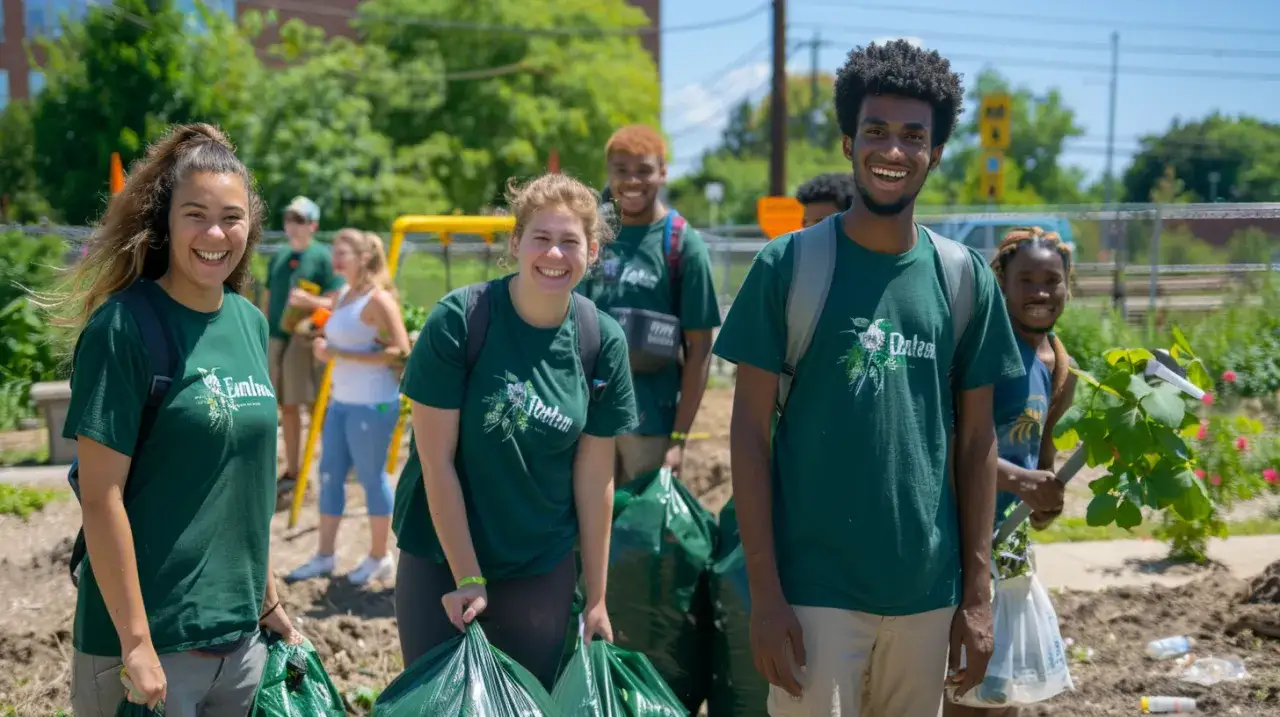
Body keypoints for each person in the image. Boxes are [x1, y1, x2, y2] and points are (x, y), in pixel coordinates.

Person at [711, 40, 1025, 717]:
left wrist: (976, 593)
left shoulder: (964, 279)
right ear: (850, 139)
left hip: (926, 595)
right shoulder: (787, 268)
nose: (893, 150)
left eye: (914, 136)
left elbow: (977, 446)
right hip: (811, 594)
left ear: (937, 152)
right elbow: (748, 436)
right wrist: (765, 596)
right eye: (876, 131)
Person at [57, 123, 301, 715]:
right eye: (196, 214)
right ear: (166, 221)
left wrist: (266, 600)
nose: (215, 233)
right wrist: (136, 645)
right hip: (146, 654)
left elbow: (238, 480)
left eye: (232, 217)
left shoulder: (248, 321)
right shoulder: (125, 328)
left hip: (239, 644)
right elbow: (100, 496)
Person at [389, 173, 638, 690]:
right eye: (541, 238)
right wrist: (468, 576)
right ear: (515, 244)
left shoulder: (599, 341)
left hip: (537, 564)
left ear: (592, 252)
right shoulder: (461, 321)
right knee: (438, 703)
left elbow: (595, 480)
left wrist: (596, 599)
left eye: (570, 241)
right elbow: (436, 462)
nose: (555, 253)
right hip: (441, 558)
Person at [944, 227, 1078, 717]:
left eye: (1052, 280)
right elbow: (951, 443)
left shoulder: (1059, 365)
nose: (1040, 292)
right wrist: (1021, 482)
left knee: (1004, 689)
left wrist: (1045, 500)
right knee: (960, 685)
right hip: (962, 542)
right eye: (1026, 280)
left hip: (1012, 546)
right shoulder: (981, 352)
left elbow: (1040, 461)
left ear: (1068, 286)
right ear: (1002, 283)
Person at [577, 124, 722, 484]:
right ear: (608, 171)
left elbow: (700, 347)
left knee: (638, 534)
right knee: (581, 533)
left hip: (650, 426)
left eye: (643, 170)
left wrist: (678, 439)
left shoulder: (681, 245)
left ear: (663, 172)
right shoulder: (590, 235)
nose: (632, 181)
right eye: (621, 170)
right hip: (584, 419)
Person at [286, 229, 411, 586]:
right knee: (329, 478)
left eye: (343, 254)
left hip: (373, 404)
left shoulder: (379, 299)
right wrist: (321, 339)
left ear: (364, 258)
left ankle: (379, 557)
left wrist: (340, 353)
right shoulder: (342, 295)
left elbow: (401, 352)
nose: (335, 260)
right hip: (342, 402)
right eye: (335, 252)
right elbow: (330, 323)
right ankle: (325, 555)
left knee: (372, 479)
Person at [262, 195, 344, 502]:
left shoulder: (321, 257)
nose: (292, 225)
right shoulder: (280, 256)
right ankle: (294, 472)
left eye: (299, 219)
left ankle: (329, 469)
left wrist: (311, 303)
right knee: (287, 407)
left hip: (306, 340)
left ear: (313, 225)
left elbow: (338, 302)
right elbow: (269, 299)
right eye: (289, 218)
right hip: (278, 339)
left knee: (314, 406)